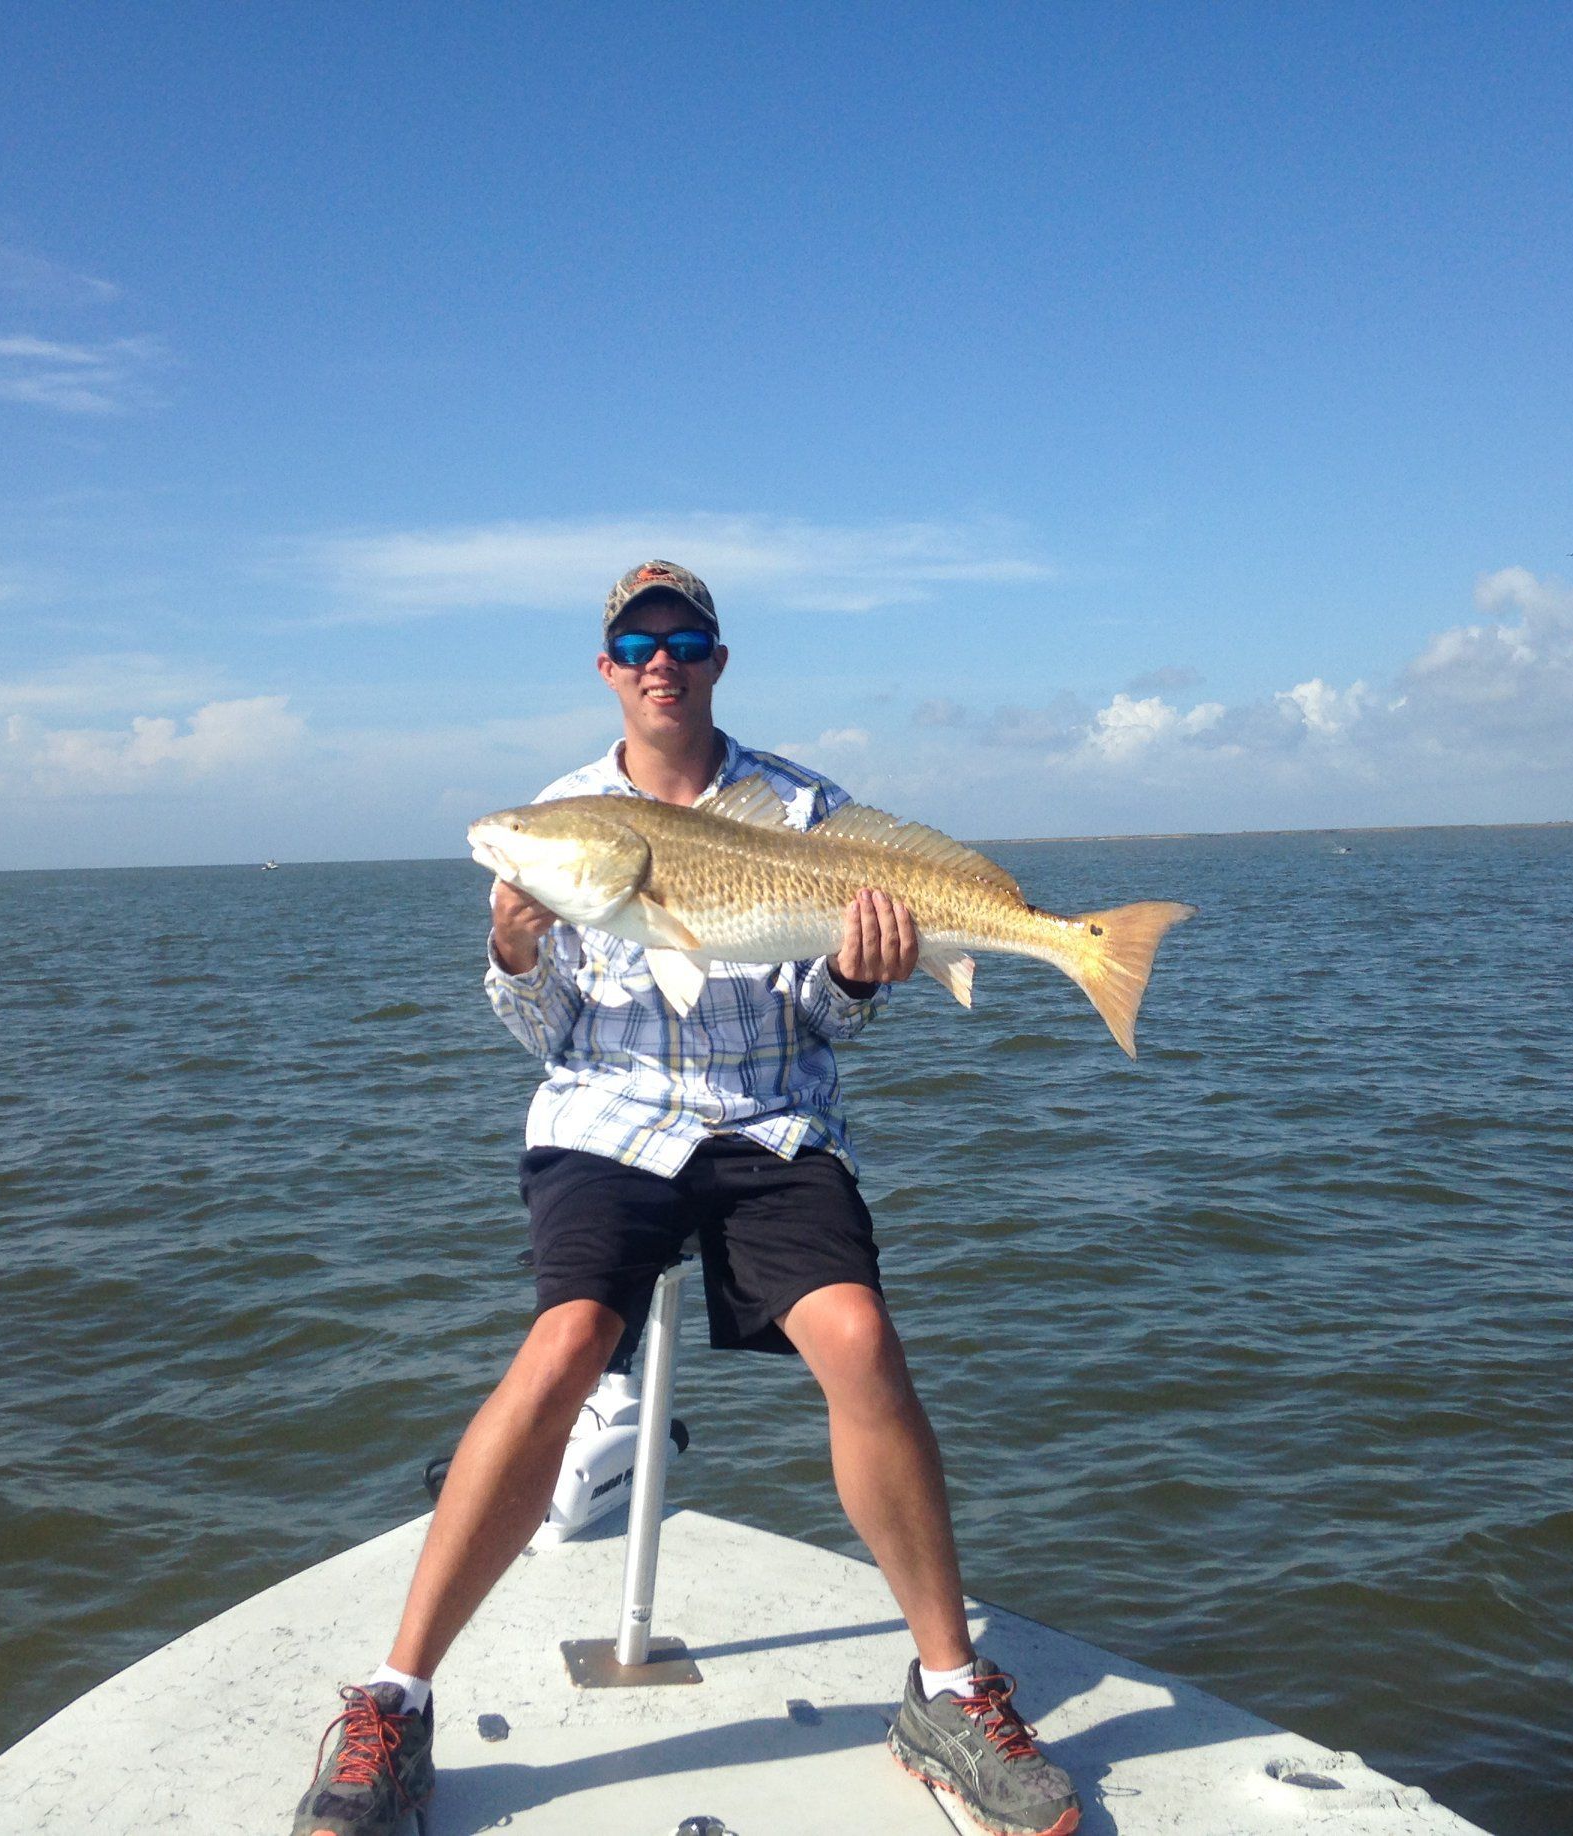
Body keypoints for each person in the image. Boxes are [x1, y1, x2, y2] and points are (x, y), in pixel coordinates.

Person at [291, 562, 1081, 1836]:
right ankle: (397, 1698)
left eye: (687, 636)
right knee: (558, 1350)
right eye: (636, 638)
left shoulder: (804, 808)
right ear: (607, 664)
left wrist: (865, 979)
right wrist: (512, 948)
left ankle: (946, 1687)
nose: (663, 656)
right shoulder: (563, 817)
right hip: (607, 1118)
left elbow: (822, 1023)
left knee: (863, 1339)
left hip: (770, 1119)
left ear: (717, 659)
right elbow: (547, 1034)